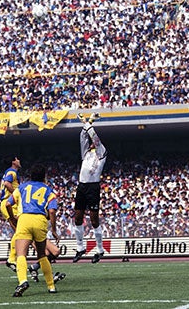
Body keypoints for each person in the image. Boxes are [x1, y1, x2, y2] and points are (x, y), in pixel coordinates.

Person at [6, 163, 59, 297]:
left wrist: (12, 218)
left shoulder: (22, 187)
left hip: (24, 220)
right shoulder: (49, 190)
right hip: (40, 220)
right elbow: (52, 211)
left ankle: (23, 281)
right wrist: (53, 229)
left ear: (31, 175)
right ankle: (51, 286)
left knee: (21, 255)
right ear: (44, 176)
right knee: (42, 255)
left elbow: (8, 203)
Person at [73, 112, 107, 264]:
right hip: (82, 186)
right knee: (78, 217)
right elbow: (83, 136)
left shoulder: (102, 153)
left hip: (93, 187)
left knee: (94, 219)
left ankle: (100, 250)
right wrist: (86, 123)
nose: (91, 142)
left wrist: (88, 122)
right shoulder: (86, 153)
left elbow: (95, 138)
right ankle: (80, 247)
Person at [0, 155, 21, 271]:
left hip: (7, 203)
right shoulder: (12, 172)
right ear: (13, 162)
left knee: (18, 231)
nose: (19, 161)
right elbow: (7, 184)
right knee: (20, 230)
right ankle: (12, 259)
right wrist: (17, 194)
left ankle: (13, 258)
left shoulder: (9, 172)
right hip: (10, 203)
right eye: (17, 159)